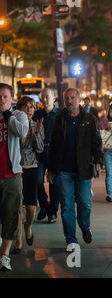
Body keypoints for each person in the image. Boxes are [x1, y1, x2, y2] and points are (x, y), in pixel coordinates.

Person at [47, 88, 103, 251]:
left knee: (85, 204)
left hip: (84, 169)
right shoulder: (59, 119)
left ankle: (85, 227)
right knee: (67, 206)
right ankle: (71, 239)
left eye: (72, 98)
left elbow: (96, 142)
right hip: (64, 170)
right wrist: (51, 168)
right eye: (66, 98)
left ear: (78, 99)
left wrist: (98, 161)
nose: (69, 101)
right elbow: (54, 144)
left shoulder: (89, 119)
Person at [0, 83, 29, 271]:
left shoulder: (19, 115)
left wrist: (6, 115)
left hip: (12, 174)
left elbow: (22, 132)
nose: (1, 100)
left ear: (12, 99)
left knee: (11, 215)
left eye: (5, 96)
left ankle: (5, 255)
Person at [14, 96, 44, 253]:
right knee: (18, 208)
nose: (29, 110)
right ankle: (18, 241)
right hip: (17, 169)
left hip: (32, 167)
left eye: (32, 107)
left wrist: (37, 133)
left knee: (31, 209)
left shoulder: (36, 125)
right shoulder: (15, 125)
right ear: (20, 109)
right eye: (26, 107)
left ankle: (28, 226)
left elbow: (40, 149)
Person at [33, 88, 61, 223]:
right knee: (38, 181)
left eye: (48, 96)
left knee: (54, 184)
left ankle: (52, 212)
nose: (45, 99)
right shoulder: (37, 114)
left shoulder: (60, 114)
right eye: (43, 97)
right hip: (39, 152)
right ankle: (44, 206)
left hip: (55, 152)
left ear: (54, 98)